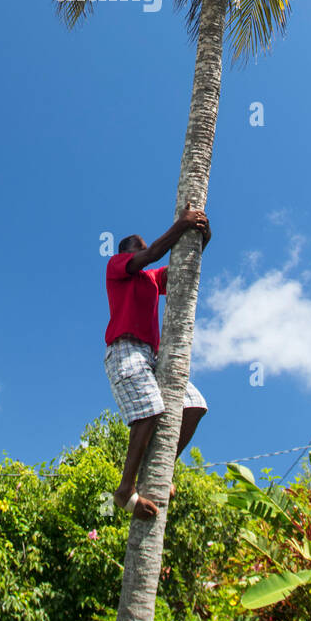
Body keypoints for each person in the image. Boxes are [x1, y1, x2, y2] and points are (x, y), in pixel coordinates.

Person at [103, 203, 211, 519]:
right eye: (141, 247)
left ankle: (161, 470)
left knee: (193, 406)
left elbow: (184, 265)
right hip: (124, 350)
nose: (147, 250)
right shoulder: (117, 266)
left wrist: (201, 232)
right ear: (128, 252)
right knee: (149, 411)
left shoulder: (151, 279)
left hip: (151, 356)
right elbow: (153, 255)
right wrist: (181, 224)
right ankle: (125, 489)